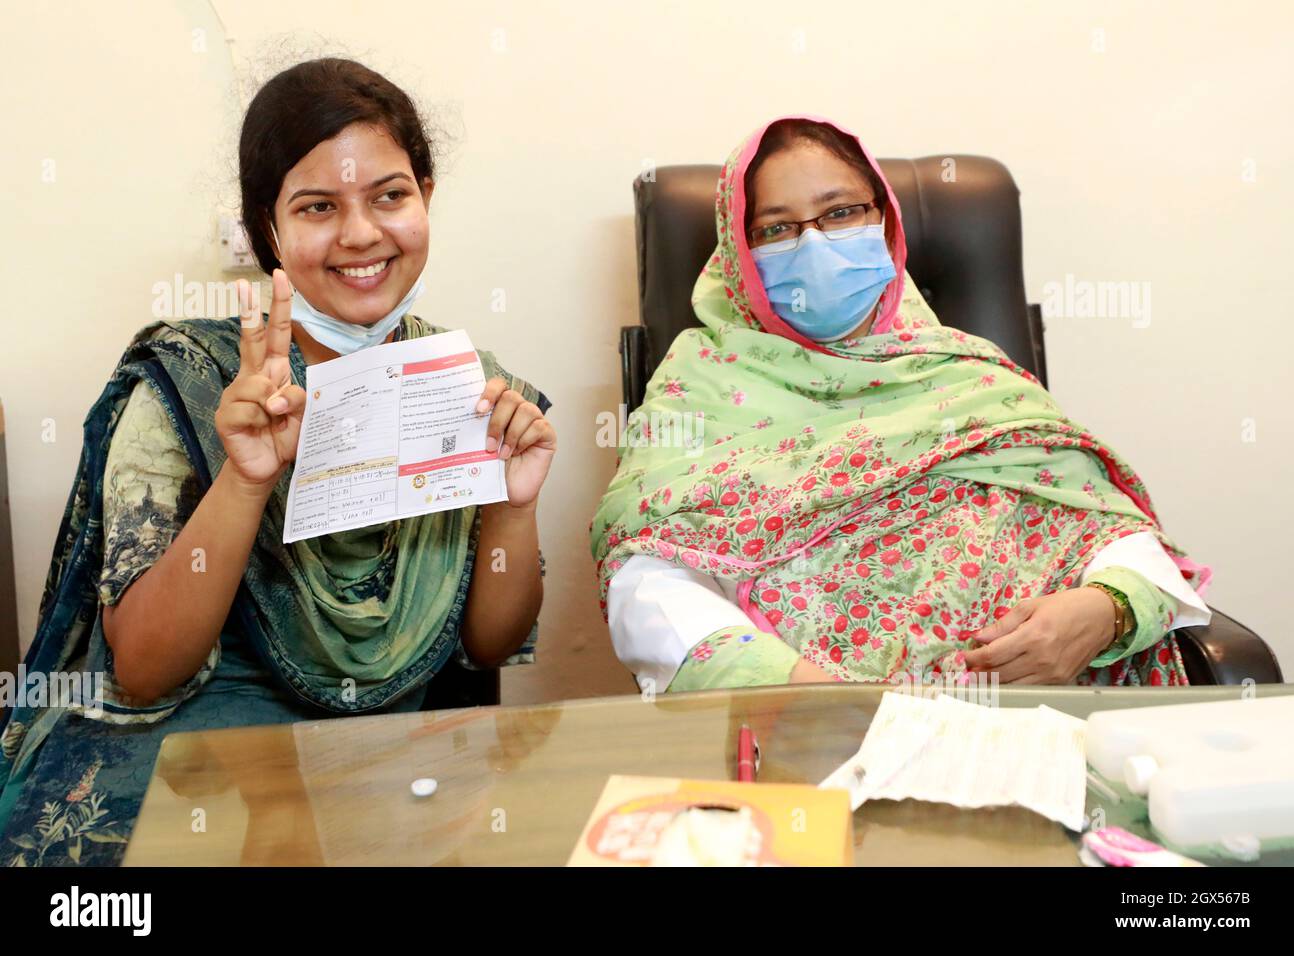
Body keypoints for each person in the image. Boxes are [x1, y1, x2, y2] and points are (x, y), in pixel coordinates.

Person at [0, 58, 556, 866]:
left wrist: (513, 503)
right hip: (195, 770)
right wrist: (245, 478)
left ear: (426, 196)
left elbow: (492, 648)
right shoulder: (191, 382)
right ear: (268, 227)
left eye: (389, 196)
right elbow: (147, 671)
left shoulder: (467, 389)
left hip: (396, 768)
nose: (361, 233)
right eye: (318, 207)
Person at [593, 115, 1209, 694]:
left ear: (885, 224)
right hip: (821, 740)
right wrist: (789, 689)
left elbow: (1103, 525)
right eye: (777, 229)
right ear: (738, 252)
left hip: (1045, 716)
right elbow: (646, 575)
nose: (814, 245)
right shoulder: (701, 384)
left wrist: (1106, 609)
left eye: (840, 213)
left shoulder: (971, 374)